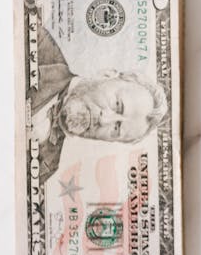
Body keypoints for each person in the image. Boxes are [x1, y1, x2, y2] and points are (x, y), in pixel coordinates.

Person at [29, 27, 167, 183]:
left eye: (116, 128)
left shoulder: (48, 167)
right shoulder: (38, 42)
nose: (104, 120)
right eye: (117, 105)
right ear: (106, 75)